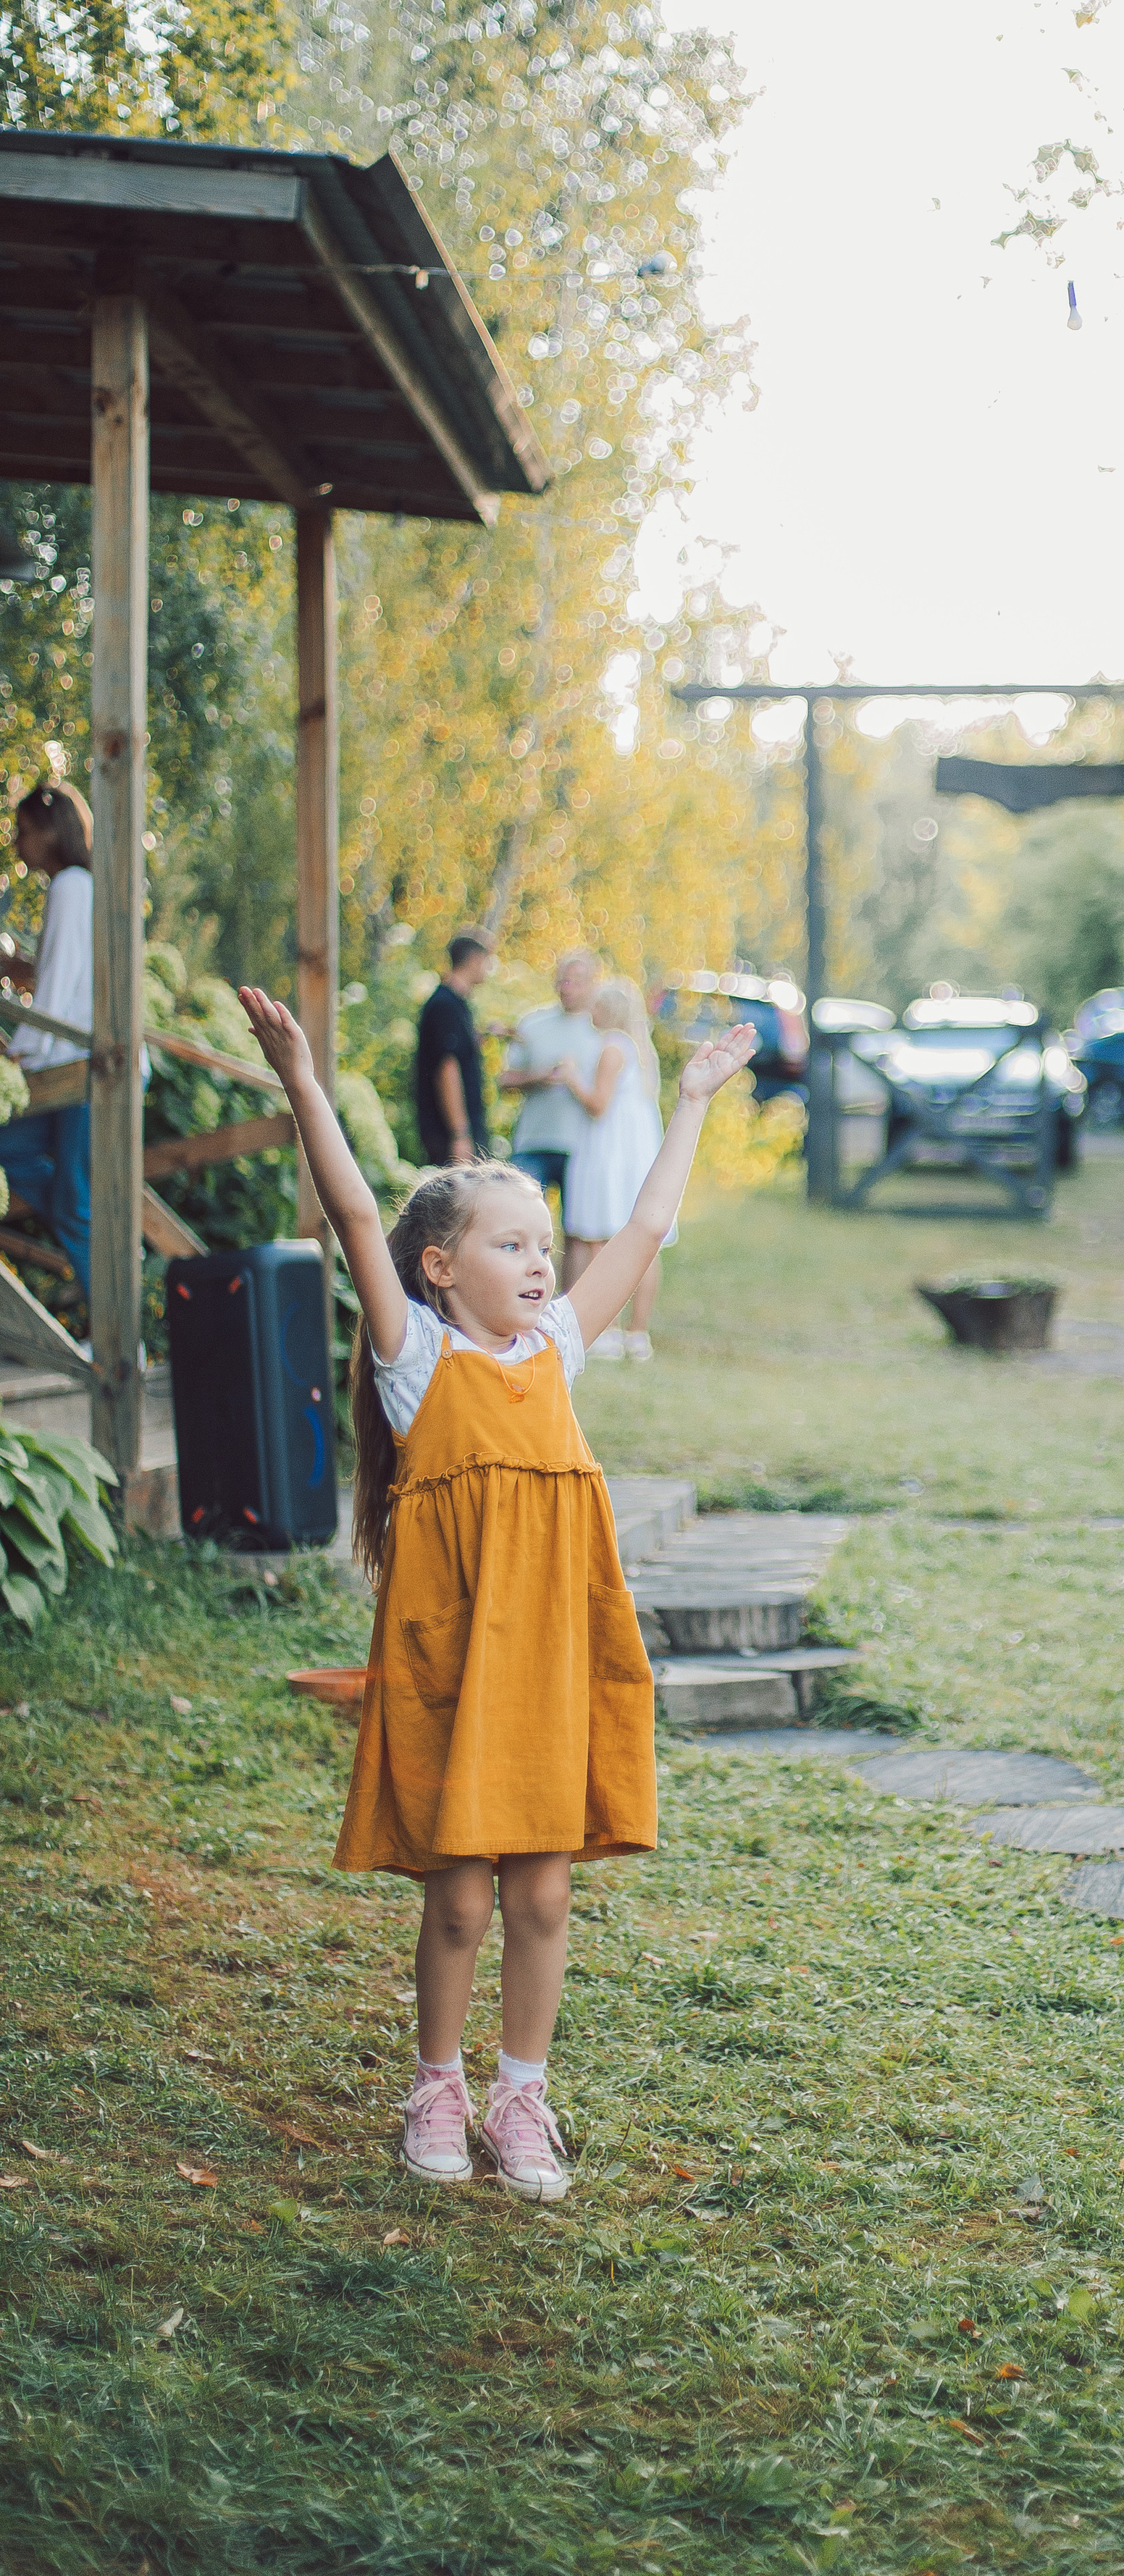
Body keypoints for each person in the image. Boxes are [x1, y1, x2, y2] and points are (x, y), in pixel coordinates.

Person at [236, 975, 755, 2203]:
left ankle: (522, 2092)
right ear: (440, 1267)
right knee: (459, 1901)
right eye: (509, 1245)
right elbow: (355, 1212)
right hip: (454, 1667)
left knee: (543, 1888)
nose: (536, 1262)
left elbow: (639, 1232)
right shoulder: (417, 1364)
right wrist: (305, 1081)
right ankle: (438, 2081)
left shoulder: (558, 1351)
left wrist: (688, 1100)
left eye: (538, 1244)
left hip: (551, 1667)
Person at [1, 783, 96, 1292]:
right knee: (60, 1192)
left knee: (76, 1205)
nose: (18, 843)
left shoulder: (71, 887)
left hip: (83, 1070)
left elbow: (58, 993)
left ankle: (119, 1341)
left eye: (24, 831)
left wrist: (17, 1053)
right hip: (74, 1065)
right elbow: (64, 977)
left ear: (51, 833)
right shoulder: (81, 887)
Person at [559, 979, 670, 1363]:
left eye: (596, 1005)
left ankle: (605, 1330)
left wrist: (571, 1076)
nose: (590, 1010)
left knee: (599, 1237)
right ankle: (637, 1334)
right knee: (643, 1239)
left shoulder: (611, 1047)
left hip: (610, 1149)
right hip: (635, 1151)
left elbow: (597, 1104)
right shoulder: (640, 1049)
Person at [499, 950, 606, 1284]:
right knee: (519, 1228)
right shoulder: (533, 1023)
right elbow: (505, 1080)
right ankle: (518, 1300)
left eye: (576, 980)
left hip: (583, 1146)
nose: (567, 986)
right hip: (533, 1141)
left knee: (578, 1232)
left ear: (593, 984)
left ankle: (570, 1314)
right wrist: (541, 1076)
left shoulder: (603, 1031)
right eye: (562, 978)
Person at [414, 927, 497, 1169]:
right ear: (473, 959)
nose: (488, 968)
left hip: (459, 1132)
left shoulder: (458, 1005)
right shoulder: (444, 1005)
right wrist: (460, 1134)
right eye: (487, 961)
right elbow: (446, 1067)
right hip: (450, 1136)